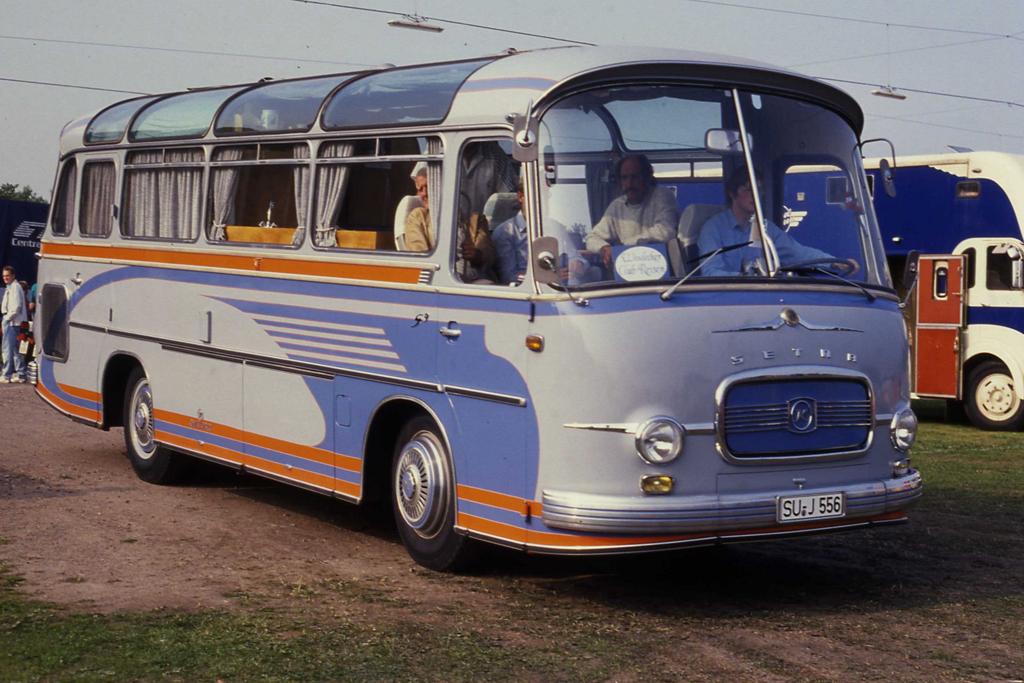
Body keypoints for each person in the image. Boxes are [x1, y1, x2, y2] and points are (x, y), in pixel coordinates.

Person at [697, 172, 833, 276]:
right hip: (726, 298)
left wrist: (832, 262)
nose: (755, 194)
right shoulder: (713, 229)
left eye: (759, 189)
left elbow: (797, 253)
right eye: (749, 189)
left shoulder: (765, 227)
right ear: (732, 193)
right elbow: (711, 271)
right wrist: (746, 278)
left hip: (760, 294)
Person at [585, 154, 679, 268]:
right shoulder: (617, 205)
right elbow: (591, 238)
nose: (629, 184)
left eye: (635, 177)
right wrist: (604, 248)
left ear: (647, 177)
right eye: (624, 178)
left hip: (659, 267)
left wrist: (625, 246)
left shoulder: (662, 195)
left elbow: (665, 232)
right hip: (628, 269)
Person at [404, 166, 496, 282]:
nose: (424, 193)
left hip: (475, 278)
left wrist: (477, 255)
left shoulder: (476, 219)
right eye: (420, 189)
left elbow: (489, 255)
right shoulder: (418, 217)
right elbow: (420, 255)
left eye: (429, 187)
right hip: (440, 278)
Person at [492, 180, 529, 284]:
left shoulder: (557, 229)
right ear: (521, 197)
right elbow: (509, 277)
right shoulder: (505, 232)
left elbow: (571, 262)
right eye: (536, 196)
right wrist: (548, 277)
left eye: (545, 196)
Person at [1, 265, 28, 383]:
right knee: (16, 349)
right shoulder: (12, 287)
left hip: (12, 322)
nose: (5, 278)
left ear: (13, 276)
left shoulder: (15, 288)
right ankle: (21, 374)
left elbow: (16, 307)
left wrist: (6, 318)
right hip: (16, 321)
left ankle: (6, 375)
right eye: (4, 276)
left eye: (7, 276)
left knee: (7, 348)